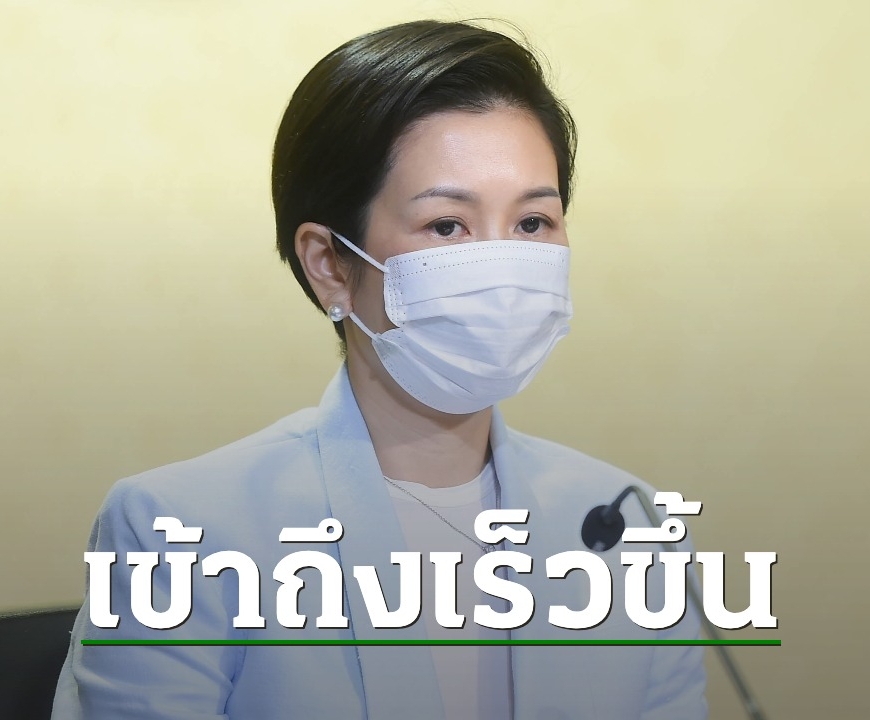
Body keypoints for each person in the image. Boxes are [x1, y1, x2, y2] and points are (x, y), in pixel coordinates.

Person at [51, 19, 707, 720]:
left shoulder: (627, 529)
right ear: (330, 265)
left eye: (532, 223)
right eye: (447, 226)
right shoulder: (181, 531)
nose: (501, 265)